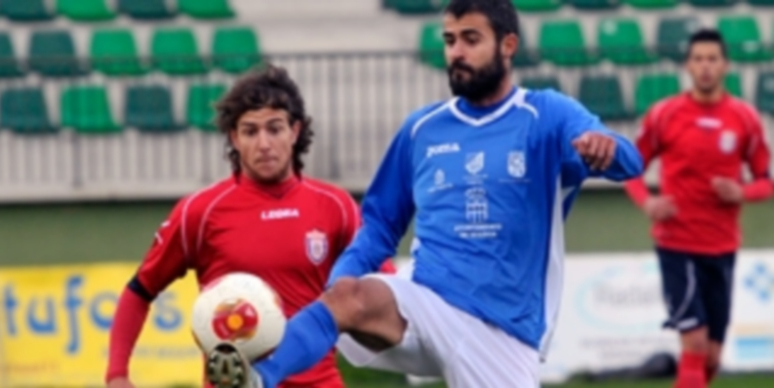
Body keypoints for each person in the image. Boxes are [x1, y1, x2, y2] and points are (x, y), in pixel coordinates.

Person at [206, 1, 644, 387]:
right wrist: (342, 278)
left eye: (470, 39)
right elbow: (379, 223)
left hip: (500, 328)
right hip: (425, 303)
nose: (456, 51)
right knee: (348, 296)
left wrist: (605, 148)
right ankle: (257, 376)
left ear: (508, 45)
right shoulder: (422, 129)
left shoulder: (546, 114)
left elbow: (631, 160)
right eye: (450, 40)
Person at [104, 65, 394, 388]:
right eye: (250, 131)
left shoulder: (335, 206)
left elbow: (387, 285)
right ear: (234, 138)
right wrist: (117, 375)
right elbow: (139, 291)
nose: (264, 143)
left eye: (275, 128)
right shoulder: (199, 212)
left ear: (294, 131)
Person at [625, 29, 772, 388]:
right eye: (698, 59)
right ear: (688, 65)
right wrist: (649, 202)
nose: (705, 67)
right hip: (676, 244)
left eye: (712, 59)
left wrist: (741, 191)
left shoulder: (745, 119)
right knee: (694, 343)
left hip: (721, 247)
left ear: (725, 65)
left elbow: (766, 180)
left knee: (712, 357)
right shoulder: (665, 114)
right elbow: (631, 168)